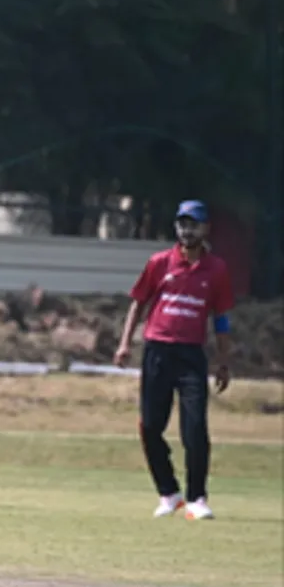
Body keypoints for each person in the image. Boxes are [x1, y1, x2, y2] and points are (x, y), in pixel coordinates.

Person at [114, 199, 234, 521]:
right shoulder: (159, 262)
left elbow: (221, 317)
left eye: (193, 224)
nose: (187, 230)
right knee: (151, 426)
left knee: (194, 429)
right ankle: (169, 493)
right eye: (182, 223)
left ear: (205, 228)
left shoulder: (217, 269)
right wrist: (126, 343)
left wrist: (223, 360)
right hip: (157, 350)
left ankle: (197, 498)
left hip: (191, 354)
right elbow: (138, 304)